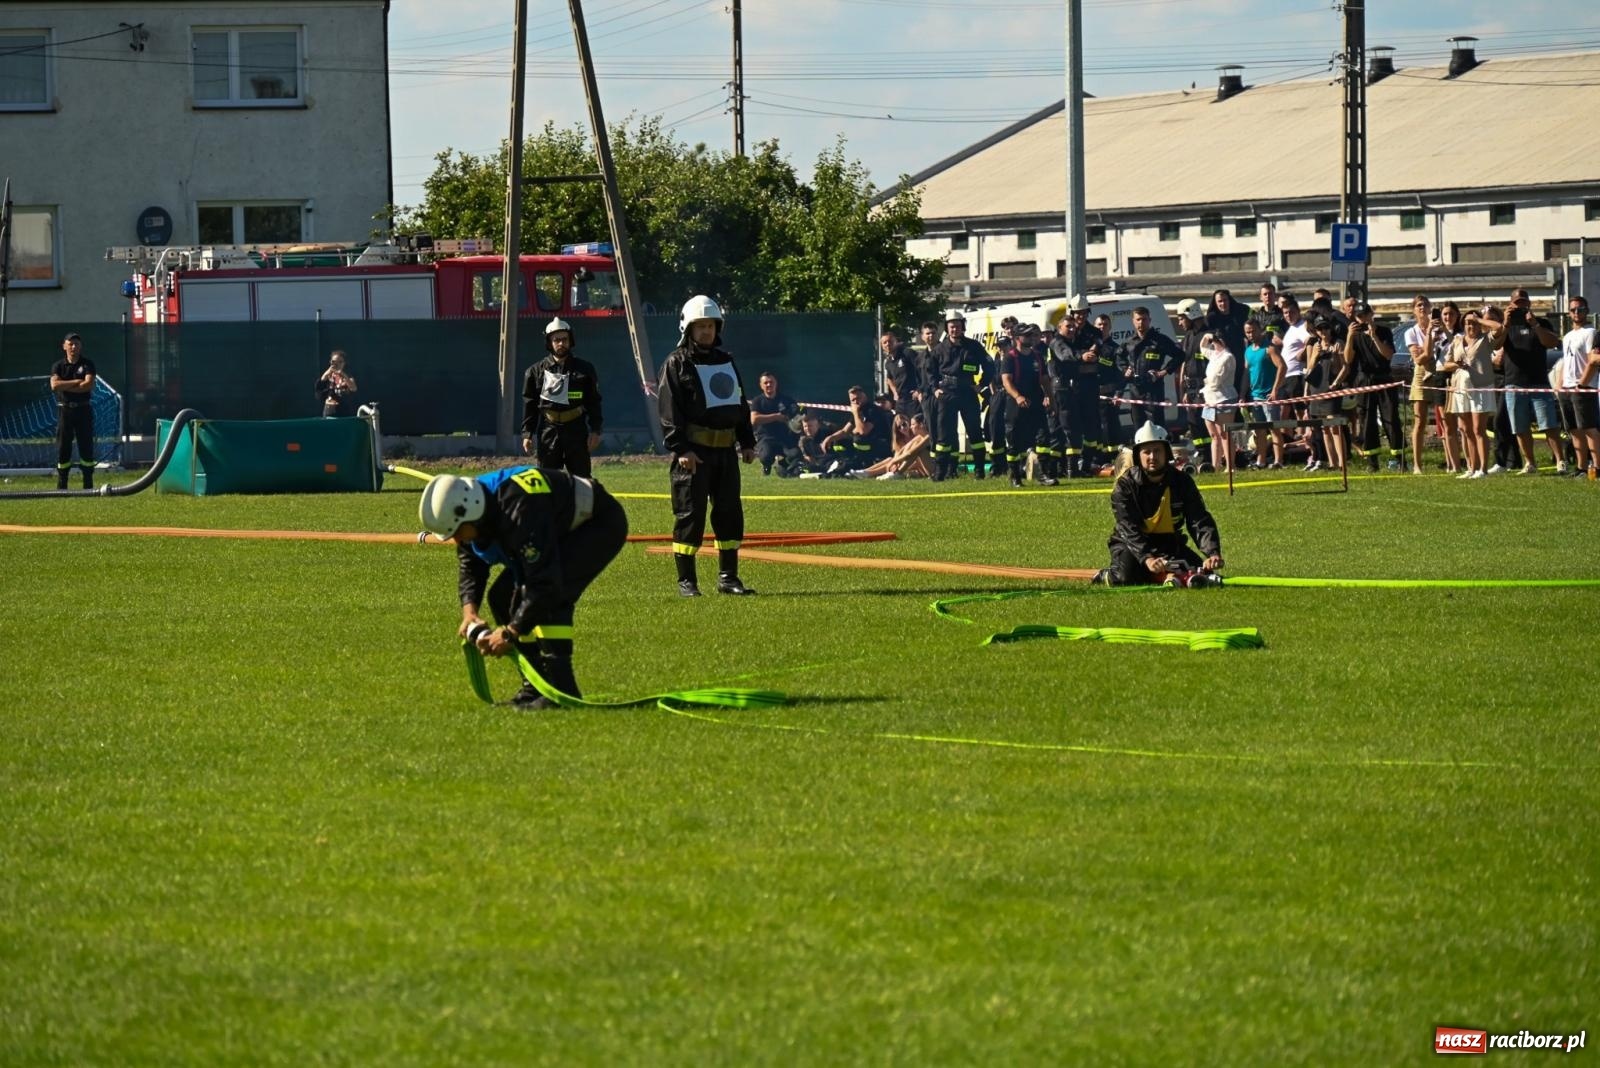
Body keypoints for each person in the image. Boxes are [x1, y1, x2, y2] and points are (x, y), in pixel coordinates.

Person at [418, 465, 629, 709]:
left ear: (471, 513)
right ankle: (535, 688)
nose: (456, 540)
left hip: (596, 524)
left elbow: (545, 584)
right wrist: (470, 612)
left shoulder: (519, 508)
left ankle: (561, 694)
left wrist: (510, 632)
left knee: (552, 599)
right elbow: (470, 562)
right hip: (555, 527)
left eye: (456, 532)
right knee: (502, 597)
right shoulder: (471, 504)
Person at [658, 295, 757, 597]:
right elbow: (669, 409)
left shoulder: (726, 360)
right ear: (688, 328)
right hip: (694, 454)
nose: (706, 331)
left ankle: (729, 578)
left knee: (729, 512)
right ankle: (687, 582)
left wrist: (747, 441)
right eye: (700, 326)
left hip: (725, 452)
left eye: (711, 325)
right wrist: (681, 449)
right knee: (690, 514)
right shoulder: (676, 363)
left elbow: (739, 402)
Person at [1093, 421, 1223, 588]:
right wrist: (1147, 558)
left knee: (1203, 574)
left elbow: (1198, 519)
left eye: (1157, 451)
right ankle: (1108, 574)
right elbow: (1127, 526)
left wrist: (1212, 553)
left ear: (1167, 453)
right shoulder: (1125, 485)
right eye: (1147, 452)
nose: (1152, 457)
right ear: (1138, 455)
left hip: (1169, 544)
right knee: (1126, 578)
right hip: (1130, 544)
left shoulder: (1182, 481)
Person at [521, 319, 603, 477]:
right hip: (548, 430)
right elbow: (529, 405)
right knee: (548, 480)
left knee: (582, 480)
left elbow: (594, 401)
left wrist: (596, 430)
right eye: (556, 340)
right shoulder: (534, 372)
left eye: (564, 339)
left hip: (577, 430)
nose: (561, 344)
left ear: (570, 340)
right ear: (549, 342)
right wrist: (527, 434)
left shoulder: (585, 369)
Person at [1498, 288, 1563, 474]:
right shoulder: (1507, 325)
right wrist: (1505, 323)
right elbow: (1495, 345)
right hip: (1514, 382)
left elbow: (1552, 342)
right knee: (1520, 426)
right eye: (1517, 303)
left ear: (1529, 303)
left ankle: (1560, 461)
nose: (1521, 306)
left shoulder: (1541, 322)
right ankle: (1530, 463)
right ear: (1510, 305)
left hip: (1538, 382)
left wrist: (1534, 324)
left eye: (1523, 302)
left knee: (1549, 424)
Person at [1441, 307, 1505, 479]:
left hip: (1481, 387)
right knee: (1466, 429)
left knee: (1478, 429)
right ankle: (1472, 467)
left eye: (1474, 322)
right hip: (1461, 388)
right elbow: (1446, 365)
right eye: (1468, 323)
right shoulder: (1457, 341)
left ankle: (1483, 469)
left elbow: (1498, 327)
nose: (1471, 326)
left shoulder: (1486, 339)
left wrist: (1480, 320)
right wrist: (1457, 365)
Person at [928, 312, 992, 481]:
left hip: (968, 392)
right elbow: (930, 372)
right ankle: (941, 472)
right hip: (947, 393)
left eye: (957, 325)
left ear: (963, 326)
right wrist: (935, 388)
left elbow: (989, 365)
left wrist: (982, 384)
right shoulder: (939, 349)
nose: (954, 329)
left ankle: (979, 470)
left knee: (975, 433)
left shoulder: (974, 346)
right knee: (944, 434)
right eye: (951, 326)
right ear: (947, 328)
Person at [1344, 300, 1402, 472]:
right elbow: (1347, 360)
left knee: (1390, 418)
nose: (1362, 320)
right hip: (1364, 380)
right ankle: (1372, 461)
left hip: (1384, 378)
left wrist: (1374, 336)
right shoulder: (1355, 335)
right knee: (1366, 420)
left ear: (1371, 315)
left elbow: (1388, 355)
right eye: (1359, 317)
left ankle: (1399, 457)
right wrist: (1349, 337)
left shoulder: (1383, 331)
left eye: (1365, 316)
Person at [998, 323, 1058, 487]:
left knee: (1043, 437)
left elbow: (1045, 380)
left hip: (1036, 402)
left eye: (1032, 335)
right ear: (1017, 338)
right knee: (1014, 440)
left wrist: (1051, 401)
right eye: (1026, 336)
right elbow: (1006, 381)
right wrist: (1018, 396)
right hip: (1015, 404)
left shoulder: (1037, 356)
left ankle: (1043, 474)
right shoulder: (1010, 357)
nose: (1031, 338)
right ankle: (1015, 475)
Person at [1116, 305, 1182, 436]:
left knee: (1156, 427)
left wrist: (1164, 371)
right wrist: (1125, 369)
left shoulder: (1160, 340)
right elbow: (1119, 357)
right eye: (1138, 319)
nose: (1141, 323)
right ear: (1133, 321)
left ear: (1149, 320)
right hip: (1135, 389)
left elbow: (1180, 355)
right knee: (1138, 427)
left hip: (1154, 389)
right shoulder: (1130, 342)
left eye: (1144, 319)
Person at [1557, 296, 1600, 476]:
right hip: (1567, 388)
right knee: (1574, 430)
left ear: (1587, 310)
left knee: (1589, 428)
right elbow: (1566, 362)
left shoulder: (1591, 332)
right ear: (1569, 313)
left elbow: (1592, 361)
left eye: (1580, 309)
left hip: (1583, 387)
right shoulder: (1567, 336)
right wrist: (1560, 385)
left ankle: (1597, 467)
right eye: (1573, 309)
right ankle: (1581, 467)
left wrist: (1582, 385)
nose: (1577, 312)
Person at [50, 332, 98, 490]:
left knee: (86, 445)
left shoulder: (87, 364)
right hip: (65, 410)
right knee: (63, 447)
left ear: (80, 346)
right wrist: (77, 382)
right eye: (70, 343)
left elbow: (88, 385)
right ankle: (62, 483)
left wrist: (66, 385)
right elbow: (54, 386)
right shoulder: (58, 366)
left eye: (76, 343)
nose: (73, 346)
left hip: (83, 409)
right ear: (64, 346)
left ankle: (88, 484)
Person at [1174, 299, 1213, 470]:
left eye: (1182, 318)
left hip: (1204, 387)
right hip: (1190, 388)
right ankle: (1201, 452)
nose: (1180, 322)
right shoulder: (1188, 337)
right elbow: (1185, 362)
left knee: (1205, 423)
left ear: (1191, 314)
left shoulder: (1209, 335)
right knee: (1194, 424)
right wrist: (1183, 388)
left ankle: (1209, 456)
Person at [1242, 318, 1285, 468]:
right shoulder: (1247, 351)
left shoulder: (1269, 348)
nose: (1250, 334)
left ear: (1260, 330)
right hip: (1255, 396)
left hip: (1269, 396)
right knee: (1259, 431)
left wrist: (1275, 390)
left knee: (1274, 428)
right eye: (1247, 332)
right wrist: (1242, 395)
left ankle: (1278, 460)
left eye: (1253, 331)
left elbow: (1282, 367)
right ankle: (1261, 460)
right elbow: (1246, 374)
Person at [822, 386, 893, 474]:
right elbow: (844, 431)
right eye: (853, 400)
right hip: (868, 444)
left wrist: (855, 413)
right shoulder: (860, 410)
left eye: (858, 398)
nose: (856, 402)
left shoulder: (872, 410)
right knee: (838, 442)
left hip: (881, 445)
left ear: (864, 397)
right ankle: (846, 462)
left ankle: (866, 464)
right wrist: (829, 438)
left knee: (858, 439)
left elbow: (862, 431)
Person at [1199, 332, 1239, 474]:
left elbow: (1216, 381)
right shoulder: (1214, 355)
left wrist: (1205, 382)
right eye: (1214, 340)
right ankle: (1215, 466)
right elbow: (1202, 348)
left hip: (1223, 398)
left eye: (1218, 340)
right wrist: (1207, 336)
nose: (1215, 342)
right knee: (1214, 435)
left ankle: (1230, 466)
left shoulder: (1227, 357)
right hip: (1209, 399)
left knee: (1224, 434)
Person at [748, 372, 801, 476]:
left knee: (796, 454)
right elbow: (754, 419)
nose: (769, 385)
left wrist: (796, 416)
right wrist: (776, 417)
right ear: (761, 385)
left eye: (771, 382)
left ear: (776, 383)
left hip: (784, 438)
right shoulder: (757, 401)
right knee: (766, 457)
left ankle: (782, 465)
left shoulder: (787, 400)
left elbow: (798, 413)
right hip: (766, 438)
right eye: (766, 382)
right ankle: (766, 466)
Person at [316, 349, 358, 418]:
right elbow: (319, 390)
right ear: (330, 362)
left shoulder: (348, 376)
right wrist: (328, 372)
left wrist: (343, 375)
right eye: (334, 362)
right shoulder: (327, 376)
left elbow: (353, 388)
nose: (337, 364)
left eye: (340, 362)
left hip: (345, 412)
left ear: (344, 363)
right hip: (330, 412)